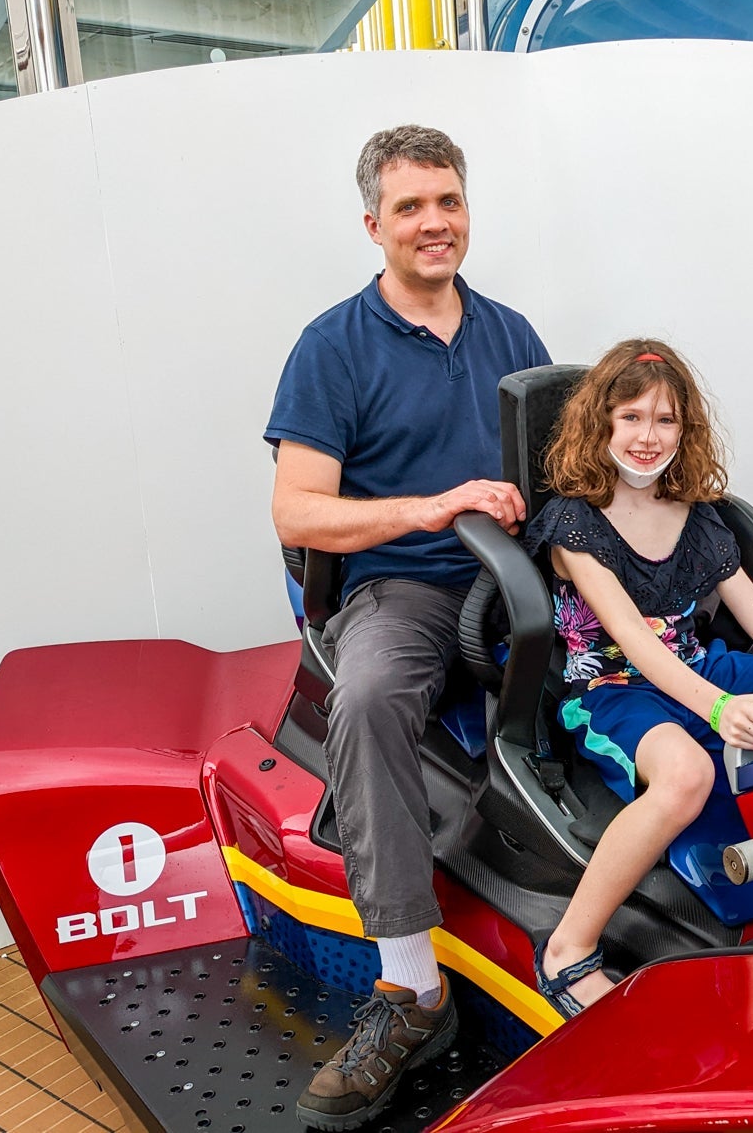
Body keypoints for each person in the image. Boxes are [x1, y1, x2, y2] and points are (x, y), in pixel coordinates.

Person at [264, 125, 550, 1131]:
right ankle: (409, 984)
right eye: (412, 207)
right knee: (373, 693)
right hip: (413, 591)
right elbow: (298, 512)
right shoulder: (331, 347)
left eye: (449, 201)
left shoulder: (514, 333)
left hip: (518, 585)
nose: (435, 222)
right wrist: (428, 507)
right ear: (374, 225)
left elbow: (553, 480)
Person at [522, 338, 753, 1017]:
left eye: (666, 420)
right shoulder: (572, 522)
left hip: (699, 666)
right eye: (632, 418)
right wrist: (721, 707)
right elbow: (634, 645)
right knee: (686, 777)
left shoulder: (698, 518)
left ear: (686, 429)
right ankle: (566, 949)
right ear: (602, 424)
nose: (649, 436)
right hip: (612, 691)